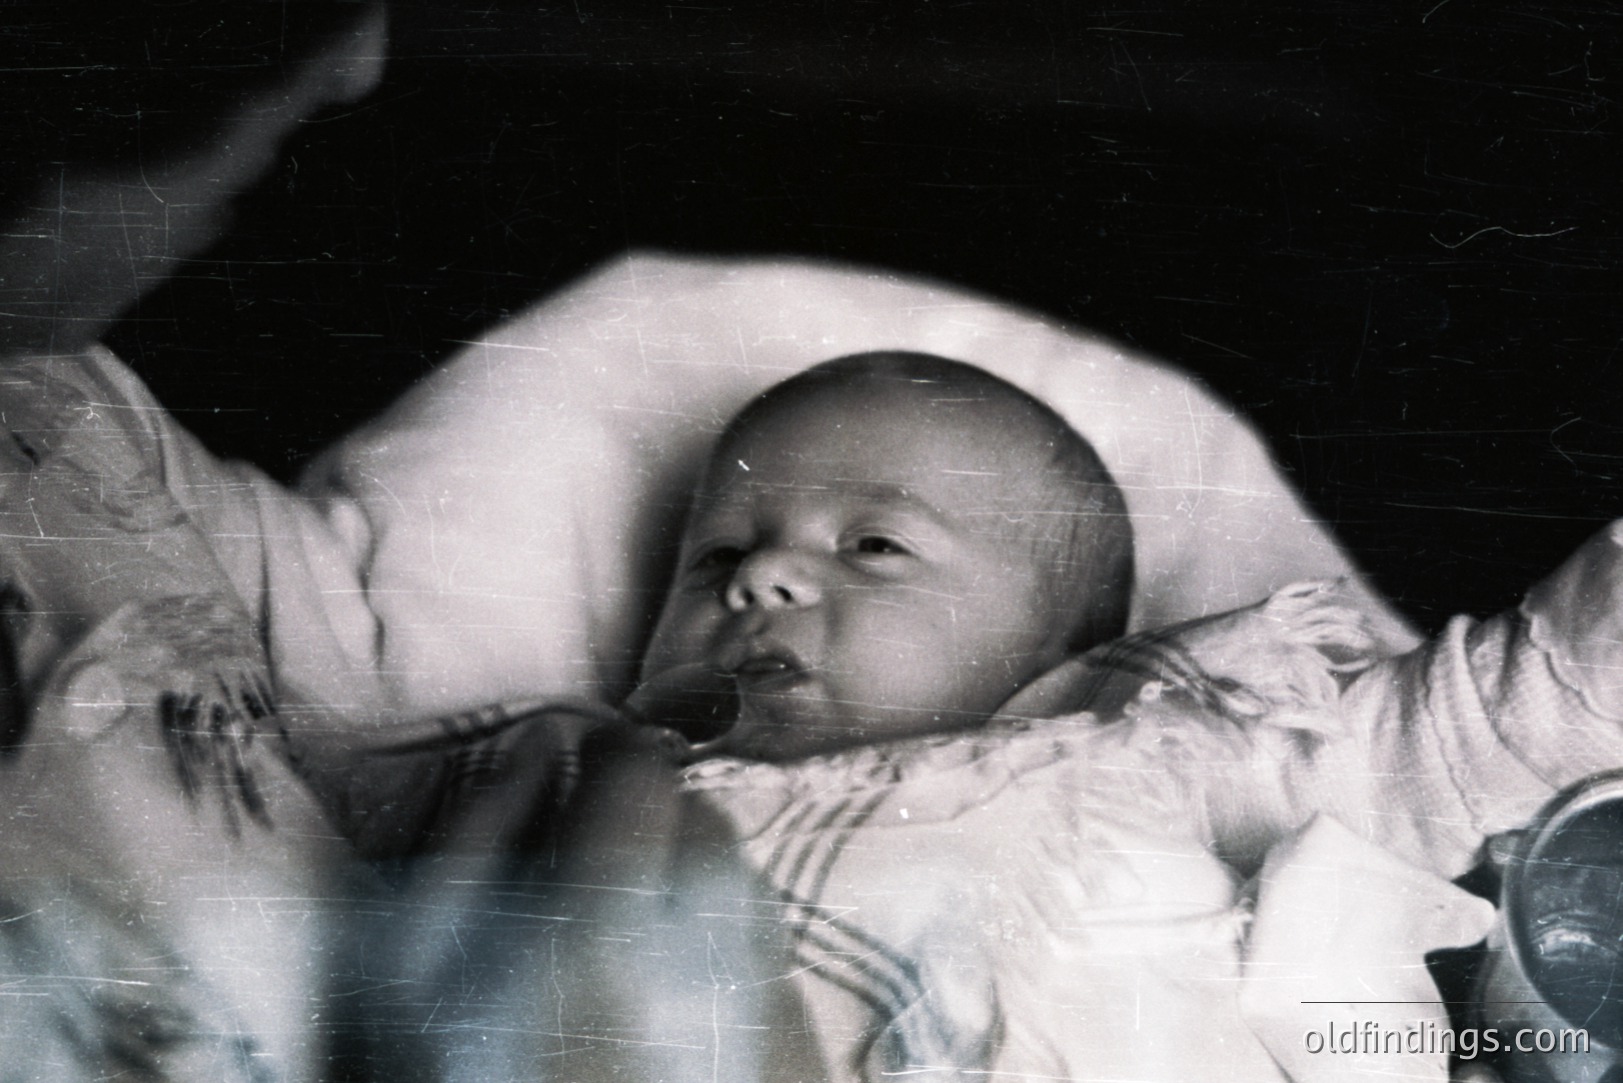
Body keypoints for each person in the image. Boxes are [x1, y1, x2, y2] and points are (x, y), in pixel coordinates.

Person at [629, 350, 1623, 1082]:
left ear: (1048, 650)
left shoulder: (1134, 753)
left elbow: (1466, 727)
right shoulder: (601, 790)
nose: (760, 577)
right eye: (716, 556)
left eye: (874, 545)